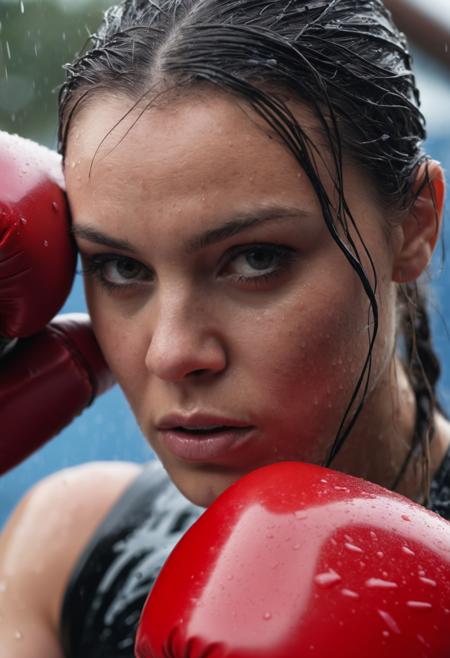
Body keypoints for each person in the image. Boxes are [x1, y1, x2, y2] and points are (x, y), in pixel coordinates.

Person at [0, 0, 449, 656]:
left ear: (414, 224)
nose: (173, 351)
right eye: (120, 267)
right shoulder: (66, 548)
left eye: (255, 260)